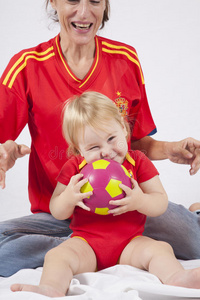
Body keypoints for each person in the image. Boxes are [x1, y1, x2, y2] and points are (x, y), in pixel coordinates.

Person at [1, 0, 200, 277]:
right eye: (72, 0)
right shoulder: (26, 66)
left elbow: (134, 142)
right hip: (63, 210)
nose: (84, 13)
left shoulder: (125, 59)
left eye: (94, 1)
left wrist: (169, 149)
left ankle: (91, 251)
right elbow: (2, 144)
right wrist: (5, 152)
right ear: (54, 2)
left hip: (127, 206)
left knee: (196, 242)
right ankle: (87, 249)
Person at [11, 92, 200, 297]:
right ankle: (51, 288)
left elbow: (160, 201)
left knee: (160, 249)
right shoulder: (75, 168)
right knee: (57, 256)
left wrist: (140, 200)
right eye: (93, 147)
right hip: (86, 243)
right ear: (78, 149)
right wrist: (69, 197)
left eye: (112, 139)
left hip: (130, 243)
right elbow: (56, 210)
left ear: (123, 128)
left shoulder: (137, 161)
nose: (106, 151)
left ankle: (177, 278)